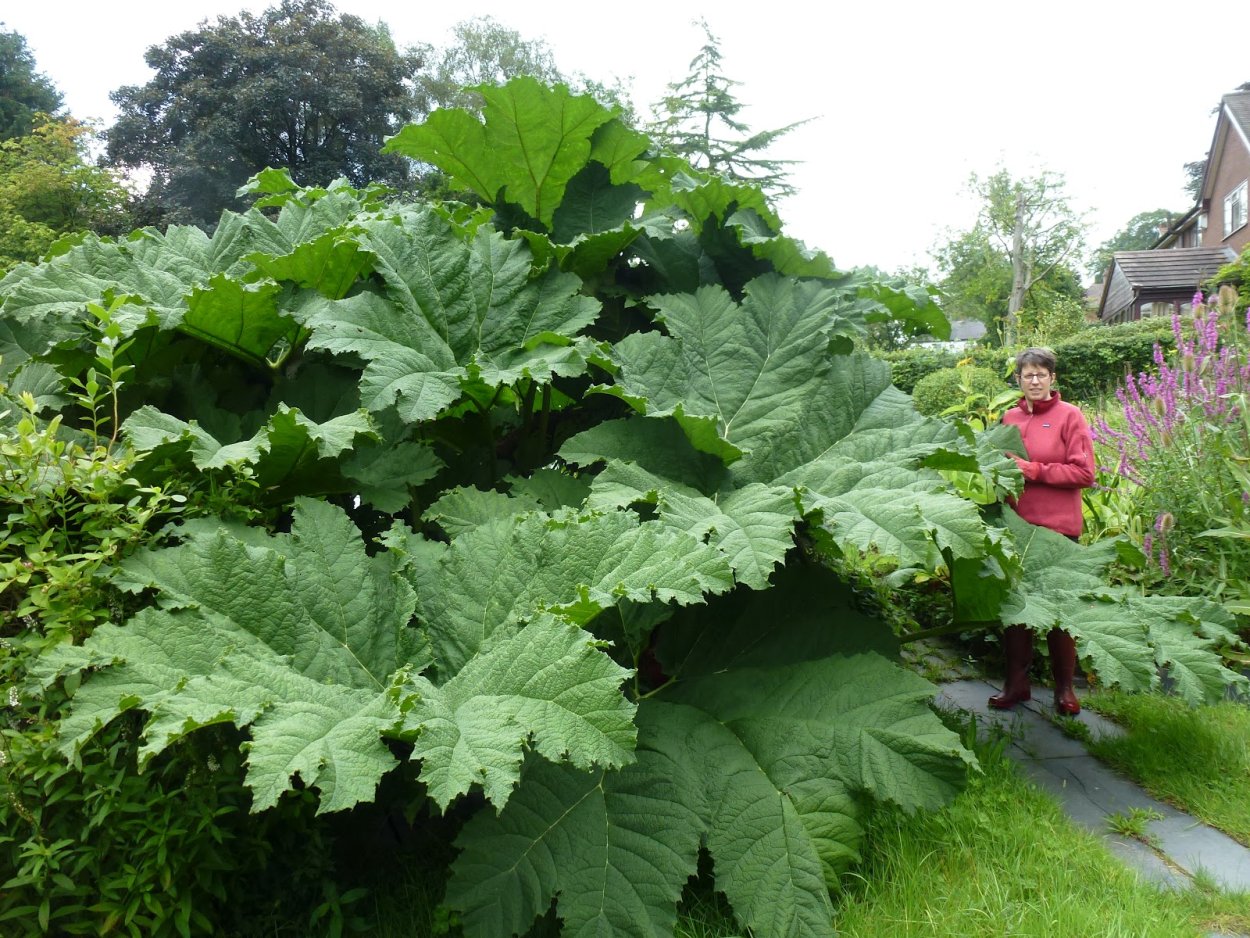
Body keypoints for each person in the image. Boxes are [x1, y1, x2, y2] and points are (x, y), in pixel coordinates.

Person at [989, 347, 1095, 715]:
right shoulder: (1009, 418)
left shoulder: (1070, 417)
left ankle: (1064, 689)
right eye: (1027, 375)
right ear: (1018, 379)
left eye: (1041, 374)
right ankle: (1016, 685)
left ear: (1052, 378)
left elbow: (1084, 474)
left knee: (1059, 612)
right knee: (1018, 611)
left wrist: (1033, 470)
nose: (1034, 381)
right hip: (1018, 528)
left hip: (1058, 532)